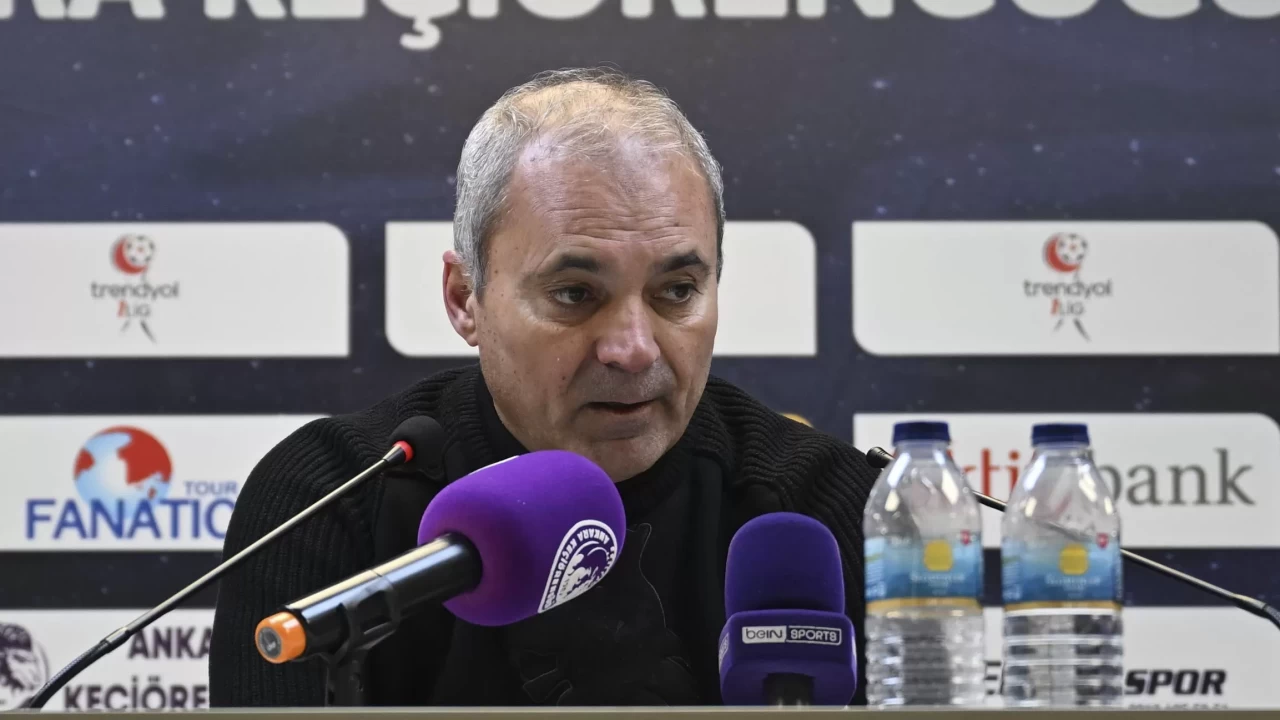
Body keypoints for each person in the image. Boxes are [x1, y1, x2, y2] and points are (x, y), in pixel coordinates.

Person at [209, 67, 879, 707]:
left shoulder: (825, 506)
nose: (633, 349)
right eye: (575, 294)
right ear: (465, 298)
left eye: (677, 291)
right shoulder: (332, 499)